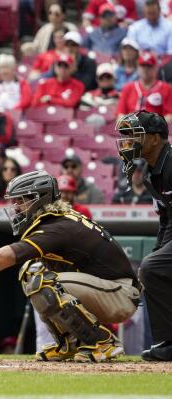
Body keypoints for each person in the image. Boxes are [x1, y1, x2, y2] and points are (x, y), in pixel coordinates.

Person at [0, 170, 141, 362]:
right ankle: (70, 343)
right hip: (106, 289)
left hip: (119, 293)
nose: (16, 207)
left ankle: (103, 341)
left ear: (38, 199)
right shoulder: (55, 220)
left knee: (43, 281)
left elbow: (9, 255)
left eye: (21, 201)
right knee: (32, 273)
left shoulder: (57, 226)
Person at [116, 110, 172, 361]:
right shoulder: (151, 171)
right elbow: (166, 219)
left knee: (151, 267)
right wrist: (159, 250)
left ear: (155, 139)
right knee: (153, 268)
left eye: (135, 135)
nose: (129, 141)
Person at [117, 51, 172, 122]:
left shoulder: (166, 88)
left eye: (148, 66)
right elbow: (120, 114)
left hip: (155, 130)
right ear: (138, 68)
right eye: (142, 66)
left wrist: (156, 124)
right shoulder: (128, 88)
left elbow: (169, 116)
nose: (145, 70)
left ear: (155, 68)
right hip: (131, 129)